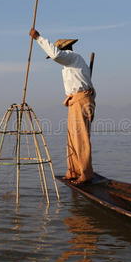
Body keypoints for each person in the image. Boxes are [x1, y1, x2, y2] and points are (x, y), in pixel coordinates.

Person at [29, 28, 96, 185]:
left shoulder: (73, 57)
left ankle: (86, 173)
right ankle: (73, 171)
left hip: (81, 100)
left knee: (80, 138)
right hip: (75, 101)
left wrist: (38, 38)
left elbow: (56, 54)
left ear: (65, 50)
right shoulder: (68, 67)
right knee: (72, 138)